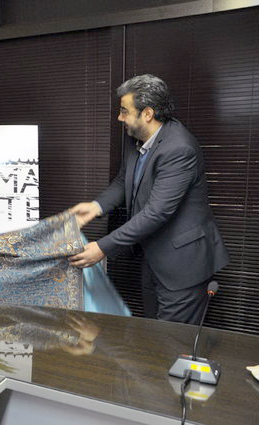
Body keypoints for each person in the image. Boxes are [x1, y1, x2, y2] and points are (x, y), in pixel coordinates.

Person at [68, 74, 228, 325]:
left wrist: (102, 248)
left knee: (172, 340)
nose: (119, 118)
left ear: (148, 114)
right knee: (152, 334)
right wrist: (97, 206)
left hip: (184, 265)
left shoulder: (179, 149)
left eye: (124, 111)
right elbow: (124, 180)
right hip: (154, 258)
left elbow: (157, 212)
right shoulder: (137, 139)